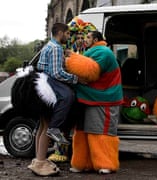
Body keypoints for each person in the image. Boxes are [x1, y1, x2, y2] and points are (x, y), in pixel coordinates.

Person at [27, 23, 84, 176]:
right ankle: (42, 157)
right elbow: (57, 73)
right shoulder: (56, 48)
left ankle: (38, 159)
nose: (68, 36)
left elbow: (41, 65)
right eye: (67, 33)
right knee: (68, 96)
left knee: (42, 126)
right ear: (60, 32)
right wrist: (75, 78)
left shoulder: (49, 46)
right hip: (49, 83)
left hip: (41, 82)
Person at [69, 31, 123, 174]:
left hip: (104, 100)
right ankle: (83, 163)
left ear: (96, 39)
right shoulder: (91, 51)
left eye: (88, 37)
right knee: (82, 132)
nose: (85, 39)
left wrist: (69, 59)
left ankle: (106, 163)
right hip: (88, 98)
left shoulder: (104, 52)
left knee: (100, 132)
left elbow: (91, 71)